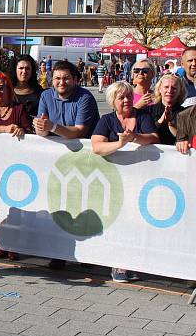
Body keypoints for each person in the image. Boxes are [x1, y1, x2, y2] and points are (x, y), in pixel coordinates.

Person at [34, 60, 99, 270]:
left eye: (66, 78)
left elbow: (79, 131)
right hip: (56, 161)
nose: (61, 82)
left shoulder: (85, 98)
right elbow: (41, 129)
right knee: (59, 206)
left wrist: (52, 126)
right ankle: (60, 252)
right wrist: (42, 129)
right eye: (58, 78)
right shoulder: (45, 95)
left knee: (84, 206)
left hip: (84, 159)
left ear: (75, 79)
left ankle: (89, 253)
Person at [91, 81, 159, 283]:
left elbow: (154, 138)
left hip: (140, 178)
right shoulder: (107, 120)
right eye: (121, 97)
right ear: (113, 101)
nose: (127, 100)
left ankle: (135, 261)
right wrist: (120, 143)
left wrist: (135, 137)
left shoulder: (143, 117)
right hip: (114, 179)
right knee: (120, 220)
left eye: (129, 96)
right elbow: (97, 147)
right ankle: (119, 263)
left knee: (137, 220)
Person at [148, 73, 186, 145]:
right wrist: (160, 122)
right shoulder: (149, 111)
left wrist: (170, 124)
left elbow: (185, 138)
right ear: (159, 89)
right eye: (166, 87)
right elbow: (144, 134)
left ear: (180, 91)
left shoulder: (185, 113)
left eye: (174, 88)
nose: (169, 91)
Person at [11, 55, 44, 119]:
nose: (24, 71)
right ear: (15, 69)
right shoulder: (7, 91)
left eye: (27, 68)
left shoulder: (40, 92)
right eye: (21, 68)